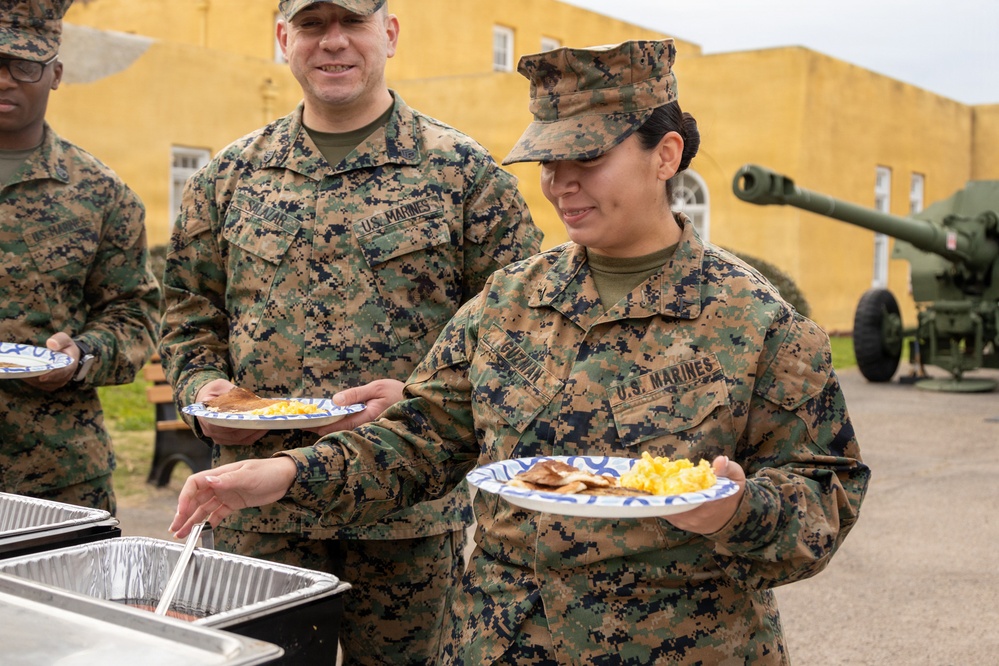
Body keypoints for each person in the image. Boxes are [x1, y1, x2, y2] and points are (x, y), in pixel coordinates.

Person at [171, 39, 870, 664]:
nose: (561, 182)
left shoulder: (758, 323)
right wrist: (282, 473)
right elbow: (419, 438)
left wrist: (736, 510)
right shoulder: (508, 301)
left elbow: (826, 494)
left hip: (676, 643)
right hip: (500, 640)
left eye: (587, 158)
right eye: (547, 161)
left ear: (665, 155)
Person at [158, 0, 541, 663]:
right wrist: (203, 391)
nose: (332, 42)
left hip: (405, 518)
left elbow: (518, 334)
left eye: (351, 22)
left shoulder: (465, 175)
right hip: (258, 516)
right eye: (312, 25)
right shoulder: (230, 175)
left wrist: (420, 403)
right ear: (284, 38)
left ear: (388, 33)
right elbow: (188, 311)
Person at [0, 0, 161, 514]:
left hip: (54, 472)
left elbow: (134, 313)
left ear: (56, 74)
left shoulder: (101, 194)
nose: (3, 79)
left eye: (24, 65)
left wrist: (82, 356)